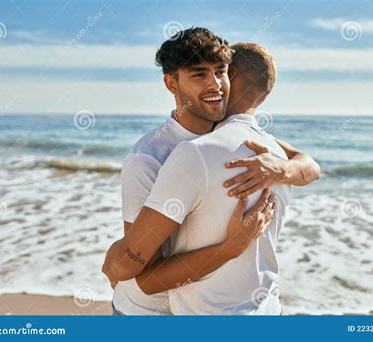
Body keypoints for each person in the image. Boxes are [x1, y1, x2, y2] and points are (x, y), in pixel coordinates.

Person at [103, 28, 320, 315]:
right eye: (199, 74)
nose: (215, 84)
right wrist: (231, 247)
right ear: (171, 83)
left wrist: (282, 169)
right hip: (148, 313)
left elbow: (309, 166)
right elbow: (131, 265)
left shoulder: (231, 138)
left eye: (221, 72)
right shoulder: (149, 157)